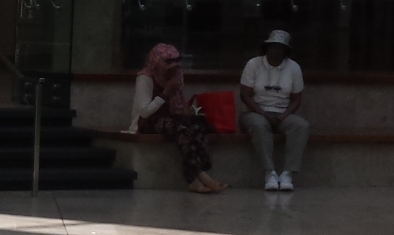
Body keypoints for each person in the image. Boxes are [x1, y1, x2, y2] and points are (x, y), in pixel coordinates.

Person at [129, 43, 227, 193]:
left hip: (169, 117)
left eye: (177, 60)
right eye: (168, 62)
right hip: (147, 122)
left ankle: (201, 171)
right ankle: (197, 177)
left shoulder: (176, 75)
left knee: (199, 125)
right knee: (182, 131)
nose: (174, 65)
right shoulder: (146, 78)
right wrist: (165, 93)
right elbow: (144, 112)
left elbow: (178, 106)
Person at [239, 30, 307, 191]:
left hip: (282, 113)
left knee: (301, 126)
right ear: (266, 48)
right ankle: (269, 173)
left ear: (285, 51)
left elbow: (297, 98)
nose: (275, 51)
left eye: (280, 48)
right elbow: (245, 95)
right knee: (259, 126)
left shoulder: (293, 67)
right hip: (255, 111)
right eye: (272, 47)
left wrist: (284, 115)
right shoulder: (253, 64)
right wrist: (263, 114)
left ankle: (287, 174)